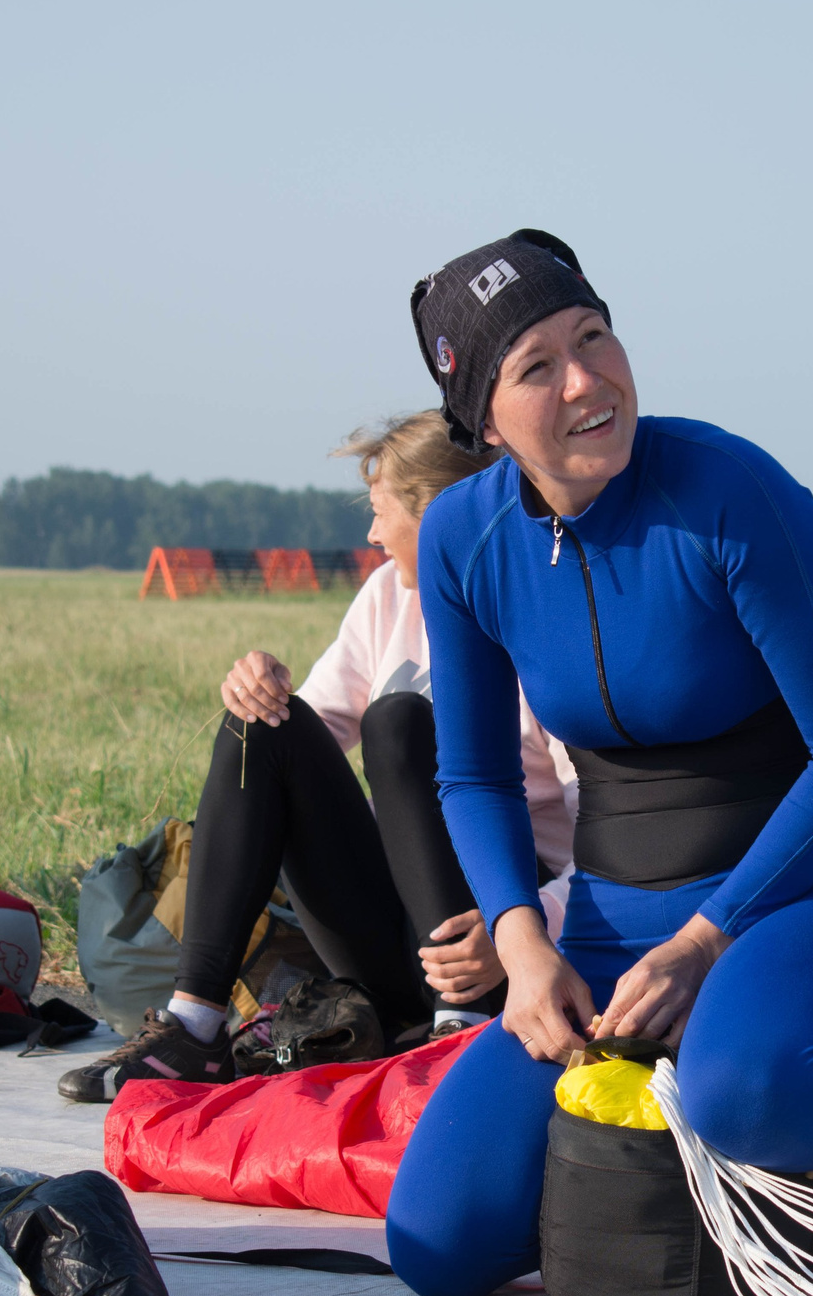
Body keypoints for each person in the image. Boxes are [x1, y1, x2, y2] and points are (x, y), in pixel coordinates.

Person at [384, 230, 813, 1296]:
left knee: (741, 1092)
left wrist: (706, 944)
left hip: (792, 900)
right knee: (438, 1247)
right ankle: (710, 1166)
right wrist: (525, 951)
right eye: (537, 368)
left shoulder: (727, 491)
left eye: (595, 337)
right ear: (484, 420)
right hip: (612, 928)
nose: (588, 381)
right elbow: (471, 775)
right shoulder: (462, 539)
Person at [59, 413, 577, 1103]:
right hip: (400, 944)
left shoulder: (556, 622)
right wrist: (257, 686)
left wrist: (524, 922)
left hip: (505, 950)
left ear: (441, 514)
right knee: (260, 725)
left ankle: (459, 1032)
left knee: (398, 724)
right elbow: (307, 735)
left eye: (380, 512)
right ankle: (195, 1025)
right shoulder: (388, 599)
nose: (370, 535)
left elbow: (613, 838)